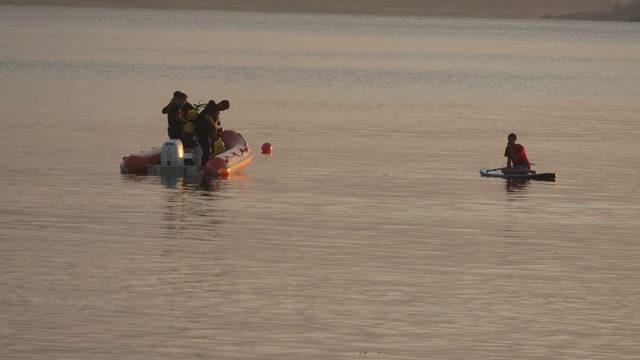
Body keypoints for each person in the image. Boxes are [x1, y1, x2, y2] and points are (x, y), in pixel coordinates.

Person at [194, 100, 230, 166]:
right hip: (202, 132)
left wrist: (217, 128)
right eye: (224, 108)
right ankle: (203, 166)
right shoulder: (213, 109)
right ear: (221, 104)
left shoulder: (214, 109)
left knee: (208, 150)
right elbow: (207, 116)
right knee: (207, 151)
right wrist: (213, 125)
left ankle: (206, 165)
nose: (223, 110)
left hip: (204, 132)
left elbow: (215, 120)